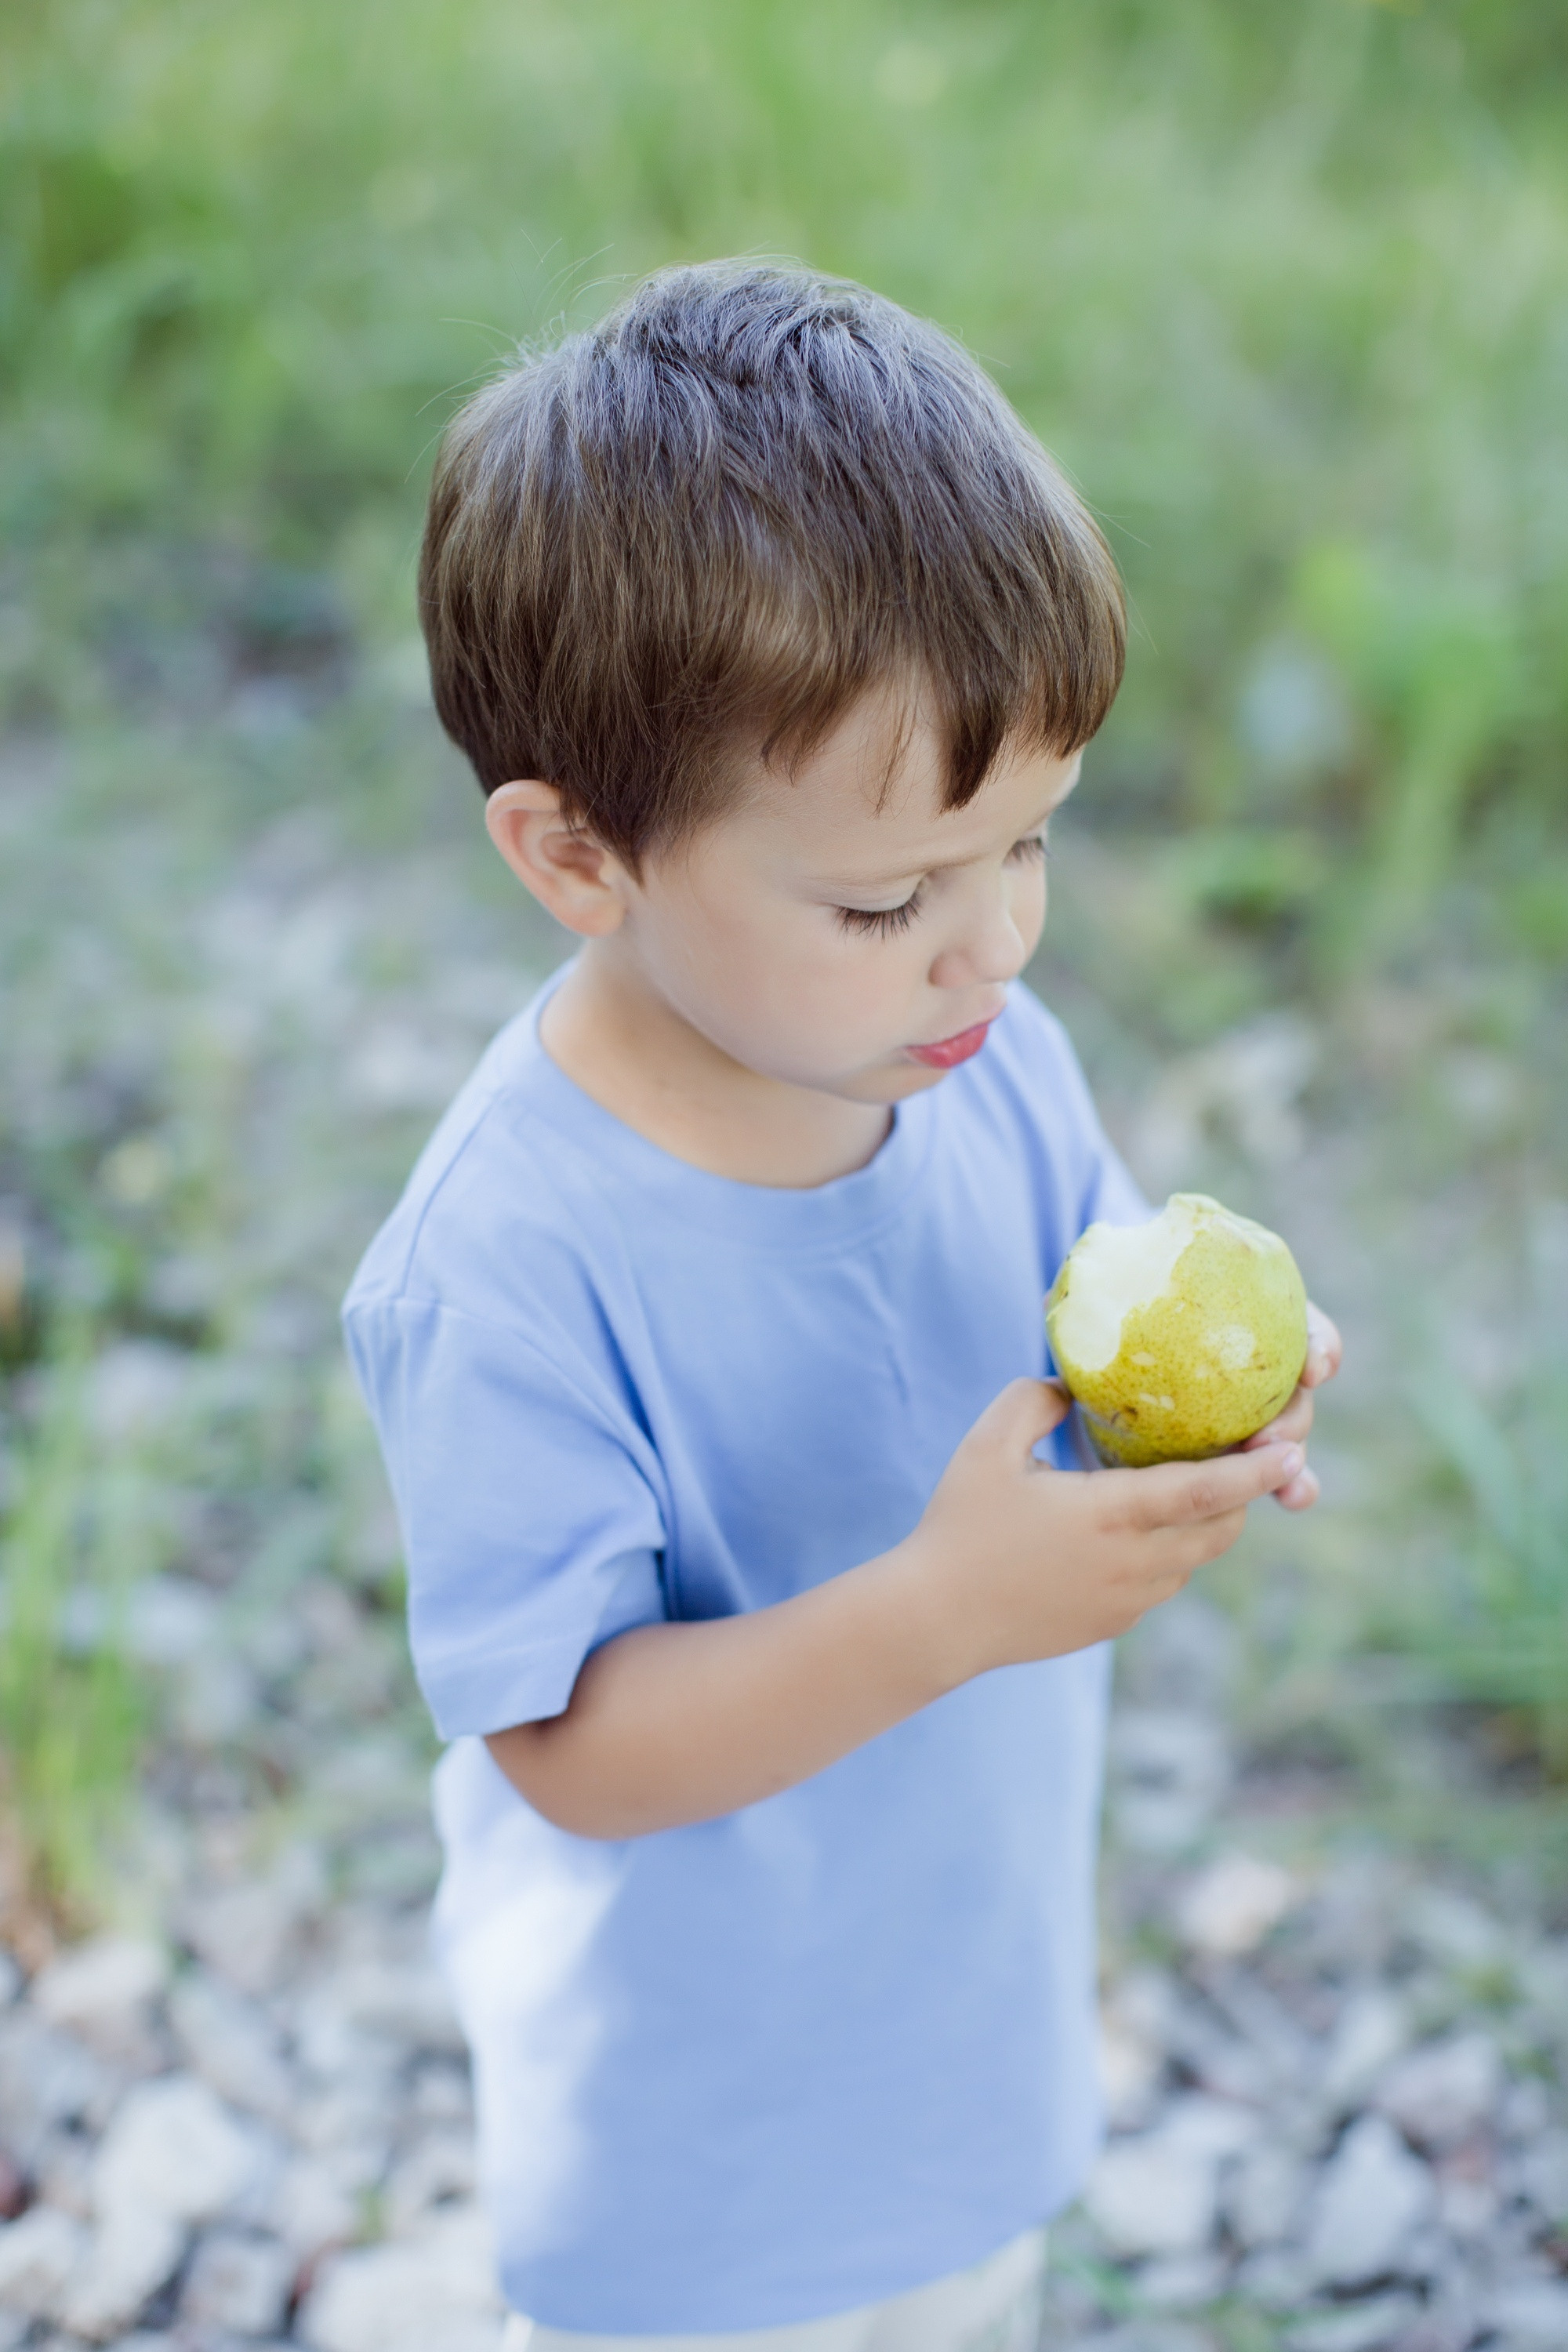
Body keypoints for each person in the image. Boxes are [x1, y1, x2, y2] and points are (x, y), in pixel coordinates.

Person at [343, 261, 1339, 2352]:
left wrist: (1224, 1392)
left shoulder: (983, 1064)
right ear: (576, 857)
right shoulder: (515, 1258)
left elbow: (1094, 1317)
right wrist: (940, 1610)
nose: (989, 950)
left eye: (1033, 844)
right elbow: (569, 1747)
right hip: (702, 2170)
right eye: (889, 900)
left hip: (960, 2057)